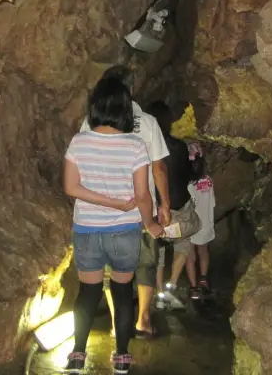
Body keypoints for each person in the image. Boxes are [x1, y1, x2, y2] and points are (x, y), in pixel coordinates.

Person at [63, 77, 164, 374]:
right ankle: (121, 356)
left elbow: (71, 187)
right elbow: (142, 195)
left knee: (88, 293)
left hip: (87, 231)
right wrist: (151, 224)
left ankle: (77, 356)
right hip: (124, 231)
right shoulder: (134, 145)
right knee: (122, 293)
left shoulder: (79, 141)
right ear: (125, 112)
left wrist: (105, 202)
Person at [80, 65, 171, 339]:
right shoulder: (148, 122)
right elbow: (159, 168)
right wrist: (164, 205)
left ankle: (115, 324)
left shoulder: (91, 123)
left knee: (111, 268)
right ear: (131, 89)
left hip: (105, 212)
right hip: (142, 212)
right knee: (145, 265)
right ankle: (142, 320)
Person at [146, 101, 201, 309]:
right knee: (185, 241)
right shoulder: (178, 147)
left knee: (158, 248)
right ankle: (172, 286)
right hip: (178, 207)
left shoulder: (144, 148)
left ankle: (159, 292)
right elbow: (187, 175)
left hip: (155, 210)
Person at [185, 141, 215, 299]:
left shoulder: (186, 183)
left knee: (190, 255)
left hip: (191, 223)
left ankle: (193, 287)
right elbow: (213, 202)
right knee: (203, 251)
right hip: (205, 222)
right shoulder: (208, 180)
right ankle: (203, 280)